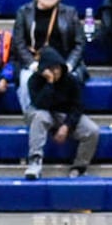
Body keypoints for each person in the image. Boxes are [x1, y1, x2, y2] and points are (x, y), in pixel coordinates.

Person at [12, 0, 85, 115]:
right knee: (27, 80)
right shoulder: (24, 12)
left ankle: (64, 119)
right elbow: (19, 43)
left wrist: (68, 65)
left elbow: (79, 43)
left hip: (63, 62)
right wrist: (32, 64)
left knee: (72, 80)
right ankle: (33, 118)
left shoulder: (70, 13)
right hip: (34, 61)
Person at [23, 47, 99, 178]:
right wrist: (50, 83)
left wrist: (67, 126)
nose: (55, 71)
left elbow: (77, 106)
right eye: (51, 68)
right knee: (39, 116)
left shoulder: (71, 80)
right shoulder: (34, 81)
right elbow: (40, 104)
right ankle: (35, 161)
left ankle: (79, 167)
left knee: (92, 130)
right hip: (44, 113)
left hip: (65, 114)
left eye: (57, 68)